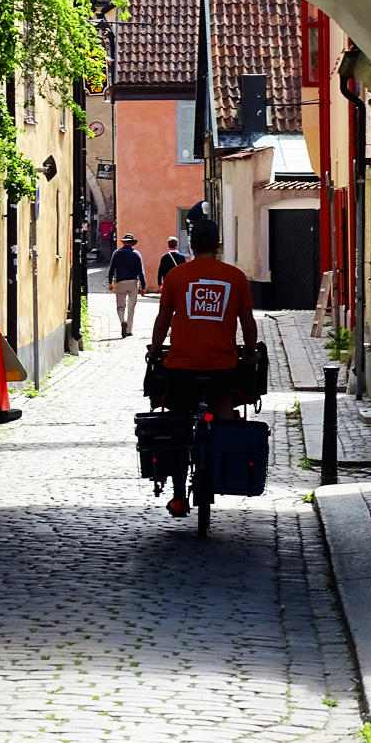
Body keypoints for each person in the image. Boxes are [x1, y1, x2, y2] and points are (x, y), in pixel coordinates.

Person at [147, 217, 257, 518]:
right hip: (222, 366)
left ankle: (180, 494)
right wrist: (249, 354)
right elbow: (248, 323)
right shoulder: (234, 277)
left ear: (191, 245)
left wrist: (155, 351)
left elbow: (163, 320)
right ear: (218, 245)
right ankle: (226, 470)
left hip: (182, 366)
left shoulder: (176, 276)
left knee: (178, 423)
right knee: (224, 409)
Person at [107, 233, 146, 338]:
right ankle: (129, 330)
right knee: (131, 306)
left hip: (120, 282)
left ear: (123, 242)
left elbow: (111, 269)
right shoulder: (136, 254)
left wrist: (110, 282)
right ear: (132, 243)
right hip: (133, 282)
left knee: (120, 306)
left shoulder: (117, 253)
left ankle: (122, 321)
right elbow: (141, 271)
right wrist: (143, 286)